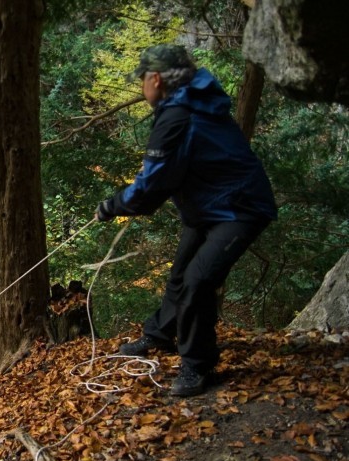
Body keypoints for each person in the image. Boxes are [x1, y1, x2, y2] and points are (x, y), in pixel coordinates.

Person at [95, 44, 277, 397]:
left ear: (156, 79)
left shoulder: (179, 116)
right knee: (181, 273)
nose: (141, 88)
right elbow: (168, 171)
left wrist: (111, 206)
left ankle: (198, 365)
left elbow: (150, 190)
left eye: (142, 80)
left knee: (197, 281)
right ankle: (161, 334)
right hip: (210, 207)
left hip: (240, 209)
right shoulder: (192, 106)